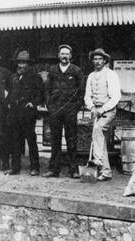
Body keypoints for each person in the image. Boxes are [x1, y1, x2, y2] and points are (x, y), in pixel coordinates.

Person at [43, 45, 83, 178]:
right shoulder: (53, 70)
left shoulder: (76, 70)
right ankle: (54, 169)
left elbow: (81, 91)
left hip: (70, 110)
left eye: (67, 54)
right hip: (56, 110)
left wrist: (76, 107)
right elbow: (47, 89)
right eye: (62, 54)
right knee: (55, 140)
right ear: (58, 55)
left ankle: (74, 170)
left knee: (71, 140)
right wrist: (50, 106)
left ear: (71, 56)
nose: (64, 56)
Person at [83, 48, 120, 182]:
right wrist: (92, 107)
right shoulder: (91, 76)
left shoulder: (111, 75)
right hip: (96, 111)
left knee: (98, 130)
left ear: (105, 61)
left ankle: (97, 160)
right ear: (92, 61)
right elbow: (87, 96)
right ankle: (106, 172)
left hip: (108, 111)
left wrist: (103, 109)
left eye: (100, 59)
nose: (97, 61)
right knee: (100, 140)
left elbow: (115, 97)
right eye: (95, 59)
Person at [5, 50, 43, 176]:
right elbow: (9, 93)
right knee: (15, 141)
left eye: (24, 63)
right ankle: (15, 168)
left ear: (29, 64)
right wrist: (9, 103)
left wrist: (33, 103)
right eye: (19, 63)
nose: (21, 65)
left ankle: (35, 167)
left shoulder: (35, 77)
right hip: (15, 113)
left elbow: (40, 94)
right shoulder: (13, 77)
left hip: (27, 114)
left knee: (31, 141)